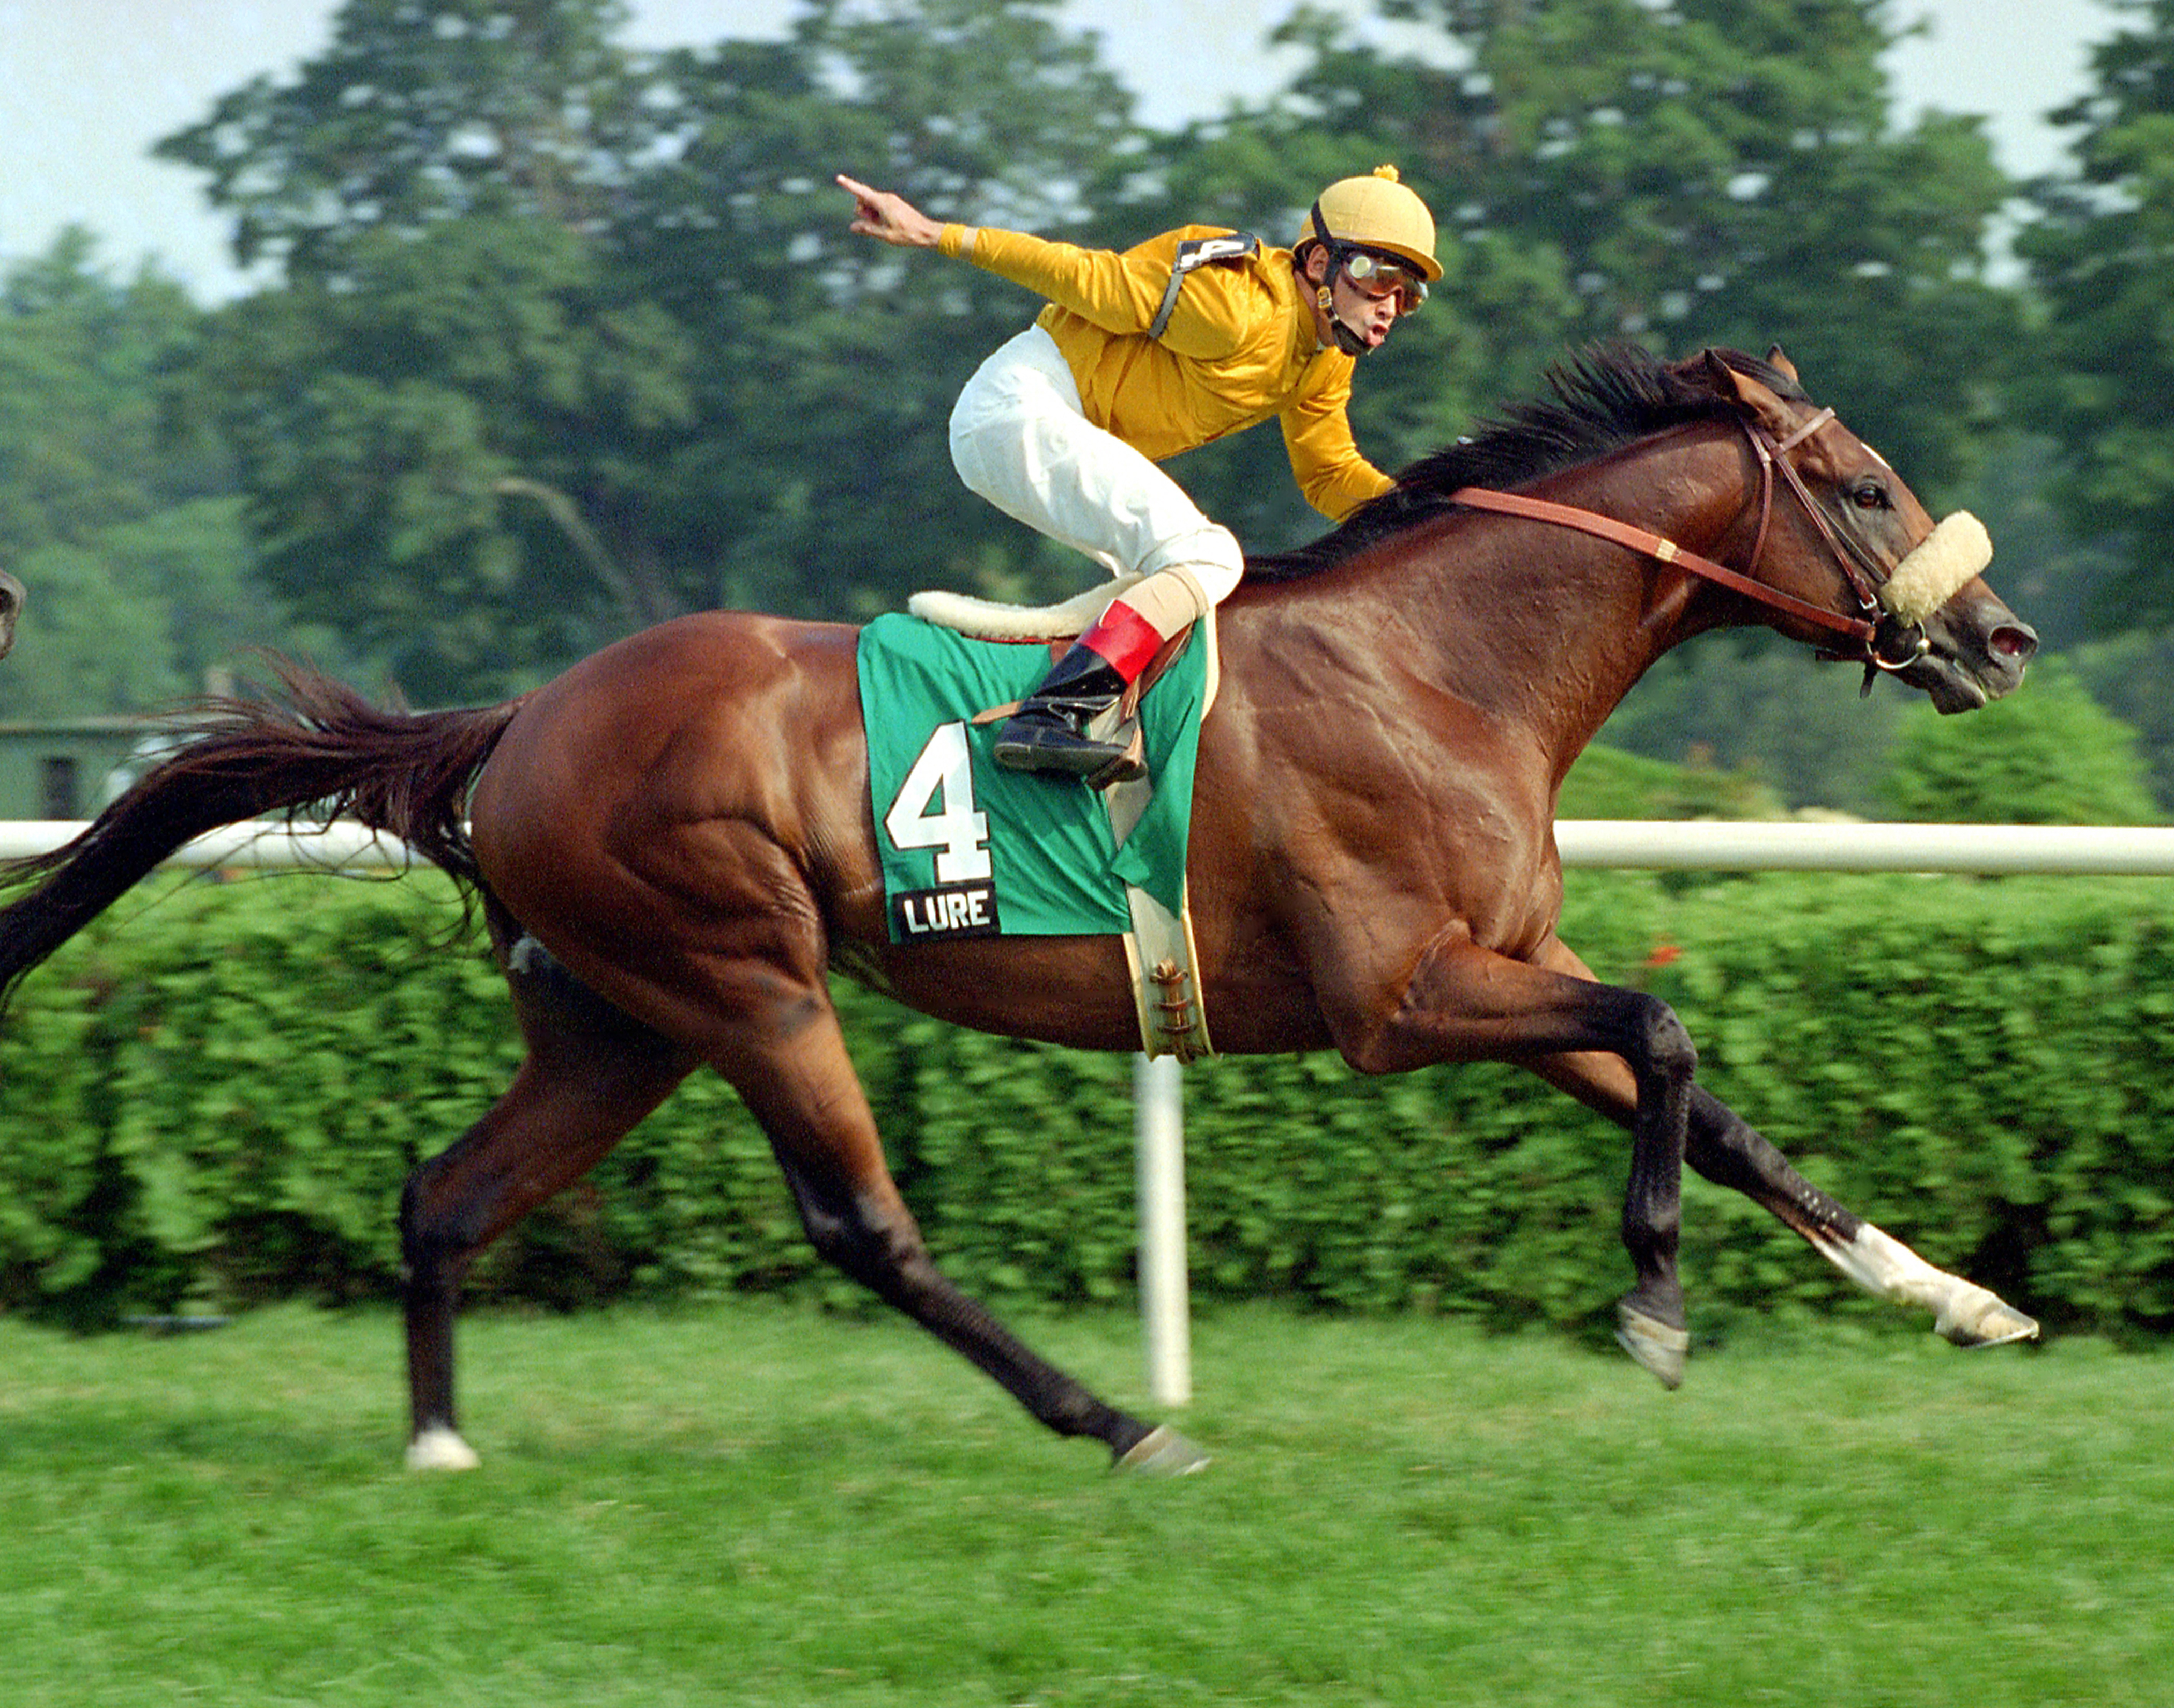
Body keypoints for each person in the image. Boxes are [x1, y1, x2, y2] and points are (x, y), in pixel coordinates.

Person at [837, 164, 1440, 784]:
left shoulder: (1324, 361)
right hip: (1016, 407)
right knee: (1209, 557)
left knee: (1174, 592)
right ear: (1318, 265)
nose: (1391, 306)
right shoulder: (1235, 309)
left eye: (1409, 294)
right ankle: (1050, 714)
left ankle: (1098, 730)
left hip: (1043, 421)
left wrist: (1434, 506)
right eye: (1378, 278)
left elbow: (1330, 475)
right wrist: (937, 234)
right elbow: (1080, 274)